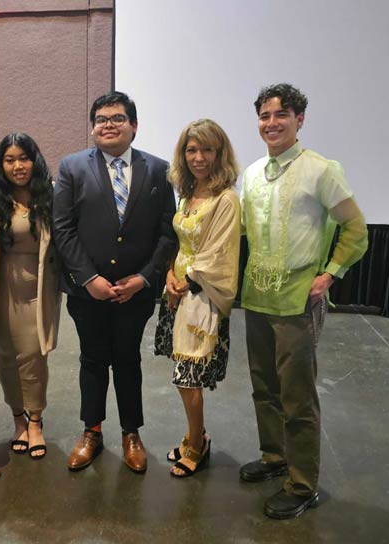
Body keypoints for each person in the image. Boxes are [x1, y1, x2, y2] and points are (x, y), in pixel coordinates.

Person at [238, 83, 368, 519]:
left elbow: (356, 229)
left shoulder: (320, 170)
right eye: (264, 116)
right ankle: (274, 458)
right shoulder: (254, 173)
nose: (271, 123)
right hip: (256, 296)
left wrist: (331, 274)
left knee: (297, 397)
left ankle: (303, 483)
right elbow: (238, 231)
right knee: (264, 387)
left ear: (299, 120)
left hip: (297, 301)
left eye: (281, 115)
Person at [53, 91, 176, 474]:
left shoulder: (158, 170)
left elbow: (167, 233)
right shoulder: (72, 168)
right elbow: (63, 228)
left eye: (118, 118)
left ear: (134, 126)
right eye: (101, 119)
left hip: (135, 292)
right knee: (92, 359)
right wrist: (88, 278)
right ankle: (91, 431)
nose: (109, 124)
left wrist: (144, 278)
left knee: (127, 359)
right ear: (92, 127)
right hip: (86, 291)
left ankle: (131, 433)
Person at [153, 119, 241, 478]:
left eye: (207, 149)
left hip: (202, 296)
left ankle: (197, 445)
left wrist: (185, 281)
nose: (199, 157)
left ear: (220, 153)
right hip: (178, 291)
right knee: (181, 375)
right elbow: (179, 244)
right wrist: (170, 277)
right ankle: (195, 434)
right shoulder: (188, 193)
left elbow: (218, 253)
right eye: (192, 149)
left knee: (189, 376)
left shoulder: (226, 199)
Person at [0, 132, 61, 461]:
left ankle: (36, 420)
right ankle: (18, 420)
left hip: (38, 286)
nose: (17, 166)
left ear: (34, 159)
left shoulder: (50, 194)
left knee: (34, 355)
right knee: (8, 356)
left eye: (23, 158)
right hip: (1, 287)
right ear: (1, 164)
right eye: (9, 159)